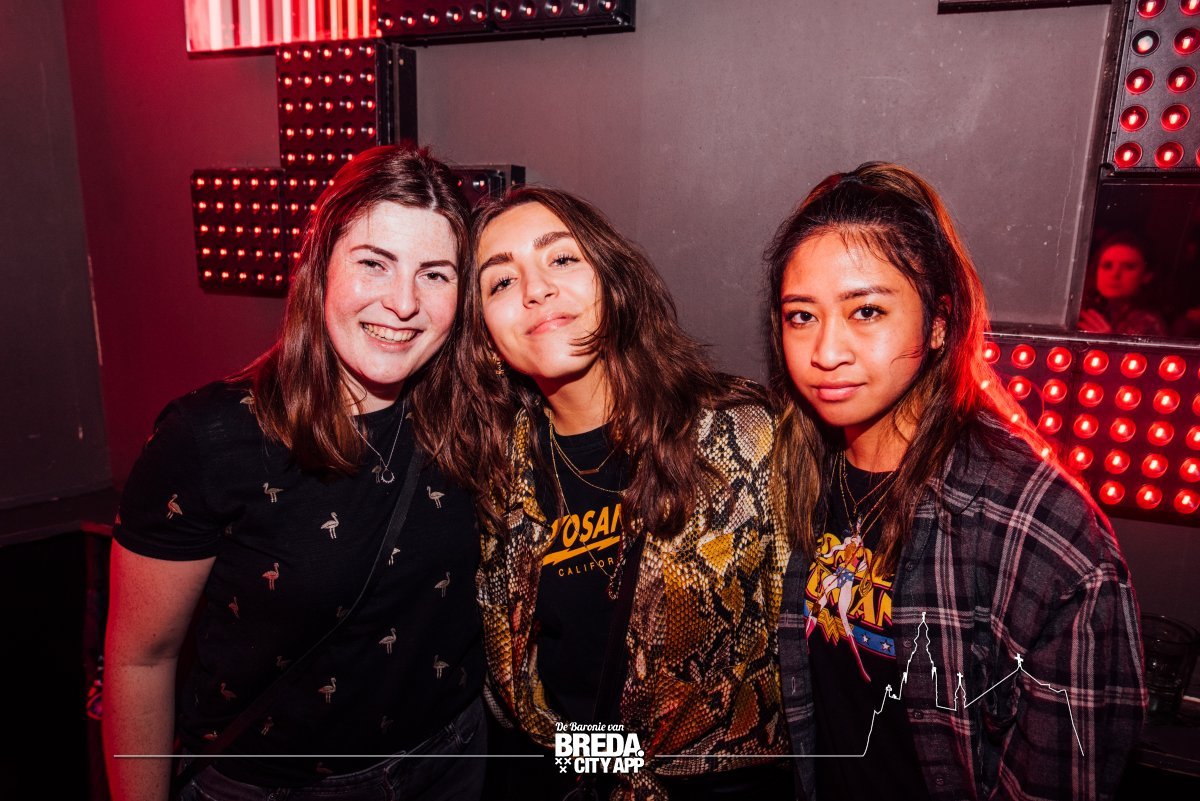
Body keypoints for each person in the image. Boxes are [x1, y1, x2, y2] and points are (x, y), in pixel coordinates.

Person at [103, 145, 486, 801]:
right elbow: (142, 658)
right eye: (374, 263)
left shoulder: (474, 414)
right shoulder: (209, 438)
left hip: (450, 761)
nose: (403, 303)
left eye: (434, 274)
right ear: (319, 267)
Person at [765, 163, 1146, 800]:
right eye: (801, 316)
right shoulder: (796, 468)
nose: (826, 351)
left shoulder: (1040, 533)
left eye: (866, 311)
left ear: (939, 322)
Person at [439, 186, 792, 799]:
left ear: (614, 280)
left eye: (561, 258)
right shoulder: (493, 473)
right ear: (485, 338)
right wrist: (606, 765)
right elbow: (529, 713)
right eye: (501, 282)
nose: (535, 289)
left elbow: (808, 657)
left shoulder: (742, 434)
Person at [1077, 231, 1166, 336]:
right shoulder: (1079, 311)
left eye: (1129, 266)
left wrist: (1109, 341)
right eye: (1107, 266)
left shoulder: (1149, 323)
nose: (1115, 274)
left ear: (1147, 275)